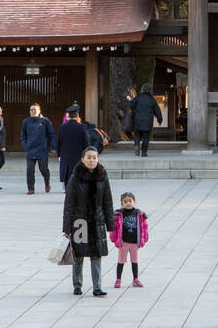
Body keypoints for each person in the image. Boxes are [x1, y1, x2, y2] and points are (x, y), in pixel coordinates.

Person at [62, 147, 115, 296]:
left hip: (97, 221)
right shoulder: (75, 178)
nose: (92, 160)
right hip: (80, 222)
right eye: (89, 157)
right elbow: (69, 205)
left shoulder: (102, 176)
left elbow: (108, 201)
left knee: (96, 255)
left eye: (94, 157)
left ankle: (97, 287)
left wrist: (110, 224)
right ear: (82, 159)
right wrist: (66, 227)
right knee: (78, 255)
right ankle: (77, 285)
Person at [109, 191, 149, 288]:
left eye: (130, 201)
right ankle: (118, 279)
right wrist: (114, 238)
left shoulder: (139, 214)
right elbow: (113, 227)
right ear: (122, 203)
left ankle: (135, 279)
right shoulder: (119, 214)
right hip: (123, 242)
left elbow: (144, 226)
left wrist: (144, 238)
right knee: (121, 261)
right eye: (125, 201)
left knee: (134, 261)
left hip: (135, 242)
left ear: (134, 202)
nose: (128, 203)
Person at [20, 103, 57, 194]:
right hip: (30, 149)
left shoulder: (45, 121)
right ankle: (31, 188)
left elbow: (51, 134)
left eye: (34, 109)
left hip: (42, 149)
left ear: (39, 111)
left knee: (43, 169)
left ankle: (47, 183)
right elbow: (23, 136)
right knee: (30, 170)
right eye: (31, 109)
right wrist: (26, 145)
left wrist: (53, 146)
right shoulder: (26, 122)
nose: (33, 111)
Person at [56, 106, 87, 192]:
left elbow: (59, 143)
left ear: (68, 116)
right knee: (78, 176)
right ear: (77, 116)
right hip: (78, 156)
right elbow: (86, 143)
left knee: (67, 177)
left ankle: (68, 194)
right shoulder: (82, 127)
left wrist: (59, 154)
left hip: (65, 156)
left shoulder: (62, 127)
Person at [130, 83, 164, 156]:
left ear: (142, 89)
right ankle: (144, 152)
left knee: (137, 135)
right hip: (148, 122)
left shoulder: (138, 98)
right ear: (150, 91)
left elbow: (131, 105)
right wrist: (160, 119)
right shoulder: (152, 100)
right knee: (146, 138)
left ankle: (136, 145)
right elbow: (157, 111)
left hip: (138, 120)